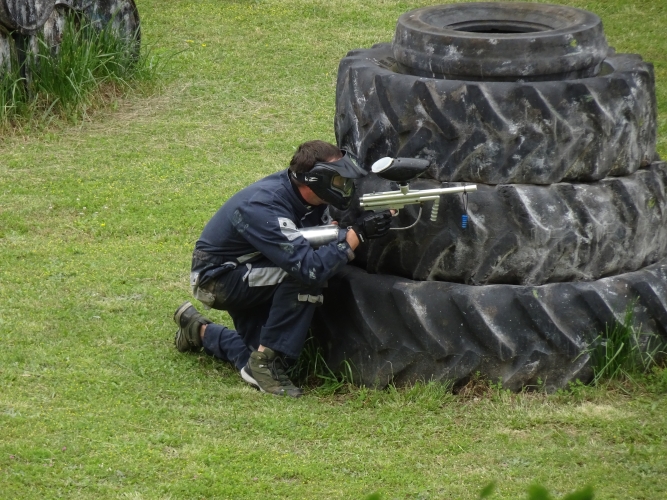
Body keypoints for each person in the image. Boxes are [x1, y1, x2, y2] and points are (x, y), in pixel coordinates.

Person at [172, 140, 392, 397]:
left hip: (256, 265)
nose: (345, 186)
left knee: (260, 354)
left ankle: (200, 331)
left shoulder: (304, 197)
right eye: (338, 180)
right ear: (315, 180)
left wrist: (346, 233)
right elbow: (309, 268)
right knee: (304, 275)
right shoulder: (263, 206)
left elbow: (312, 237)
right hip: (218, 278)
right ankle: (265, 364)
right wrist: (356, 235)